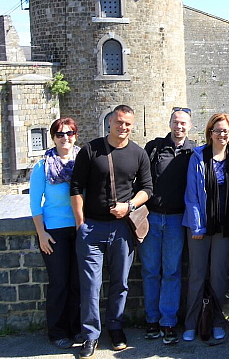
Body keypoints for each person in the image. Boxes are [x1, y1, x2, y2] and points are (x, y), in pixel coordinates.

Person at [71, 105, 153, 359]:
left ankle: (116, 328)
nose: (123, 127)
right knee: (91, 285)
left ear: (132, 125)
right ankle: (90, 335)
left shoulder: (138, 153)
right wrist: (81, 224)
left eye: (128, 123)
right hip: (92, 227)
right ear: (110, 122)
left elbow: (147, 189)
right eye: (119, 122)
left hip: (122, 228)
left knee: (120, 283)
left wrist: (128, 206)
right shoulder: (90, 150)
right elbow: (76, 188)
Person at [182, 113, 229, 342]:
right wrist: (197, 227)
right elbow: (191, 195)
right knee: (197, 276)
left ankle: (217, 321)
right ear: (210, 132)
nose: (222, 134)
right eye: (218, 130)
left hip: (226, 224)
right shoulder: (198, 156)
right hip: (200, 224)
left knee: (219, 276)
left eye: (226, 131)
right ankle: (191, 323)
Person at [139, 107, 196, 345]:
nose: (178, 126)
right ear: (170, 123)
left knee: (172, 272)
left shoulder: (194, 152)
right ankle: (152, 320)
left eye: (183, 123)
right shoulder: (154, 148)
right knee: (151, 271)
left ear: (190, 126)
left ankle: (168, 321)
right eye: (175, 122)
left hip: (176, 219)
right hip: (152, 217)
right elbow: (140, 179)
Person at [29, 117, 81, 349]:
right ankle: (57, 332)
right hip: (55, 232)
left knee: (78, 283)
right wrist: (41, 233)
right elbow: (34, 203)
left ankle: (76, 329)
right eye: (60, 134)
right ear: (53, 138)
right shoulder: (42, 166)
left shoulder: (83, 162)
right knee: (59, 283)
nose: (65, 138)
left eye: (69, 133)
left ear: (75, 136)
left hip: (80, 228)